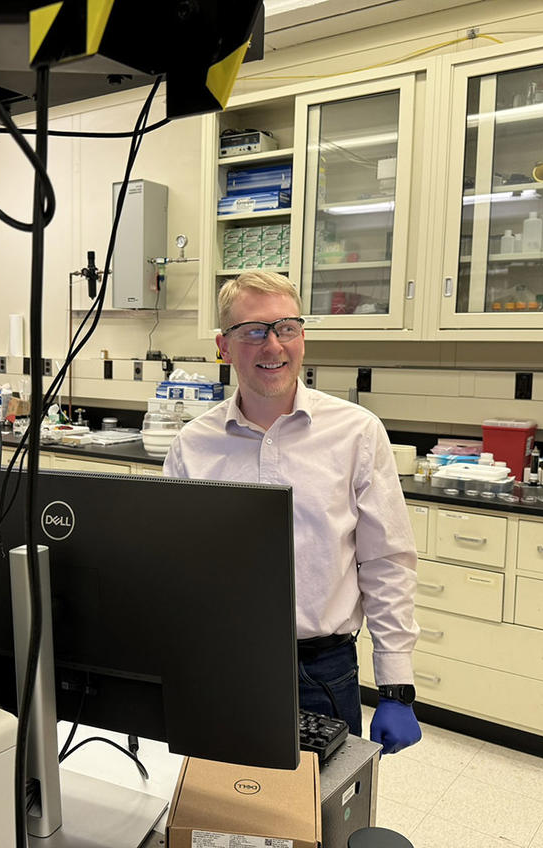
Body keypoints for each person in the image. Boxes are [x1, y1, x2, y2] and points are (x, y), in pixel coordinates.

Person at [163, 271, 421, 755]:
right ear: (224, 346)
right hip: (220, 666)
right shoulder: (191, 446)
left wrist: (396, 688)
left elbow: (387, 563)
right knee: (221, 819)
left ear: (302, 336)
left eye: (286, 328)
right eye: (253, 331)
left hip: (321, 672)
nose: (273, 346)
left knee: (319, 822)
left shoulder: (357, 434)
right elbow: (177, 571)